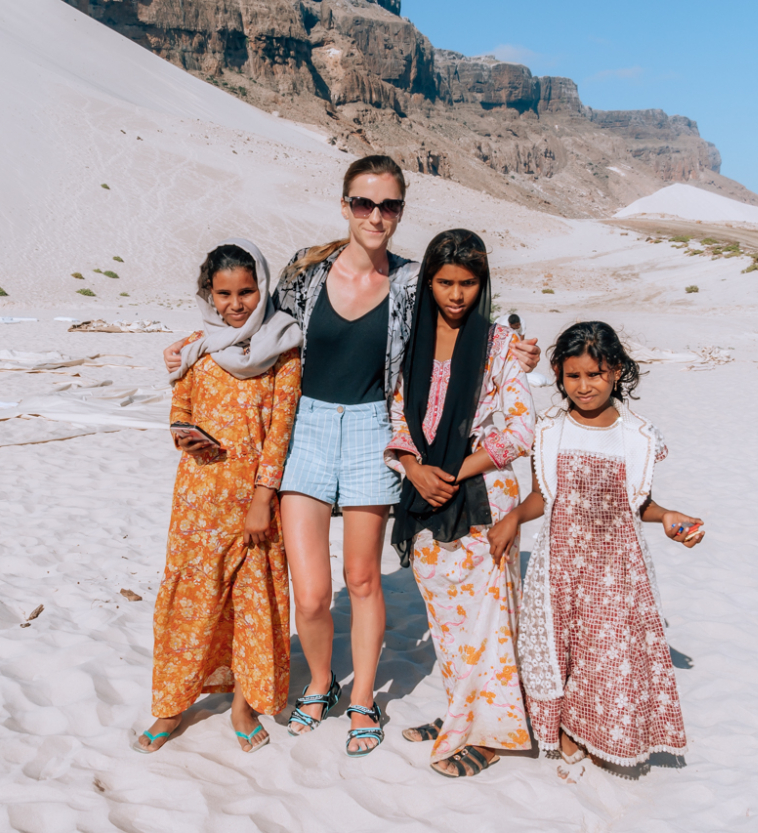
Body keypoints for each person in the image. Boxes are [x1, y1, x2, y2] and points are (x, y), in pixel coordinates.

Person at [162, 156, 542, 757]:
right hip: (305, 428)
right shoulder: (305, 274)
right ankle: (320, 683)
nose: (376, 216)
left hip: (372, 431)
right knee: (311, 594)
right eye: (364, 204)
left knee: (362, 578)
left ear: (400, 211)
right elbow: (251, 323)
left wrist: (517, 349)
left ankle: (363, 695)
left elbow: (464, 316)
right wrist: (192, 345)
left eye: (388, 206)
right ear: (345, 206)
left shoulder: (416, 281)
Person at [489, 321, 705, 782]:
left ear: (617, 372)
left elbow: (638, 504)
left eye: (595, 375)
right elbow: (543, 496)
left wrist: (668, 517)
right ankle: (566, 727)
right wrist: (512, 518)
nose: (584, 387)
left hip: (617, 567)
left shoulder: (637, 436)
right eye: (573, 377)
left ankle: (599, 733)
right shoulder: (550, 430)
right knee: (560, 649)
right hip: (560, 562)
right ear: (558, 375)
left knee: (606, 653)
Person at [133, 239, 303, 755]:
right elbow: (180, 402)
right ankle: (170, 706)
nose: (236, 304)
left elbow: (281, 431)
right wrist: (182, 430)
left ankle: (243, 705)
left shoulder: (283, 345)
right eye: (224, 293)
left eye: (247, 292)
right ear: (209, 294)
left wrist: (261, 497)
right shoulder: (194, 346)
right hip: (198, 500)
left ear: (263, 288)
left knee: (253, 602)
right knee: (191, 600)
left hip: (255, 501)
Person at [385, 230, 535, 777]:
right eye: (445, 282)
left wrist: (455, 469)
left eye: (468, 283)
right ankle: (460, 712)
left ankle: (492, 736)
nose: (456, 295)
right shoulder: (412, 343)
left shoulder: (497, 345)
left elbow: (523, 429)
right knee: (446, 615)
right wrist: (413, 468)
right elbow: (396, 413)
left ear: (482, 283)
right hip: (423, 494)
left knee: (488, 621)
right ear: (428, 282)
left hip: (482, 497)